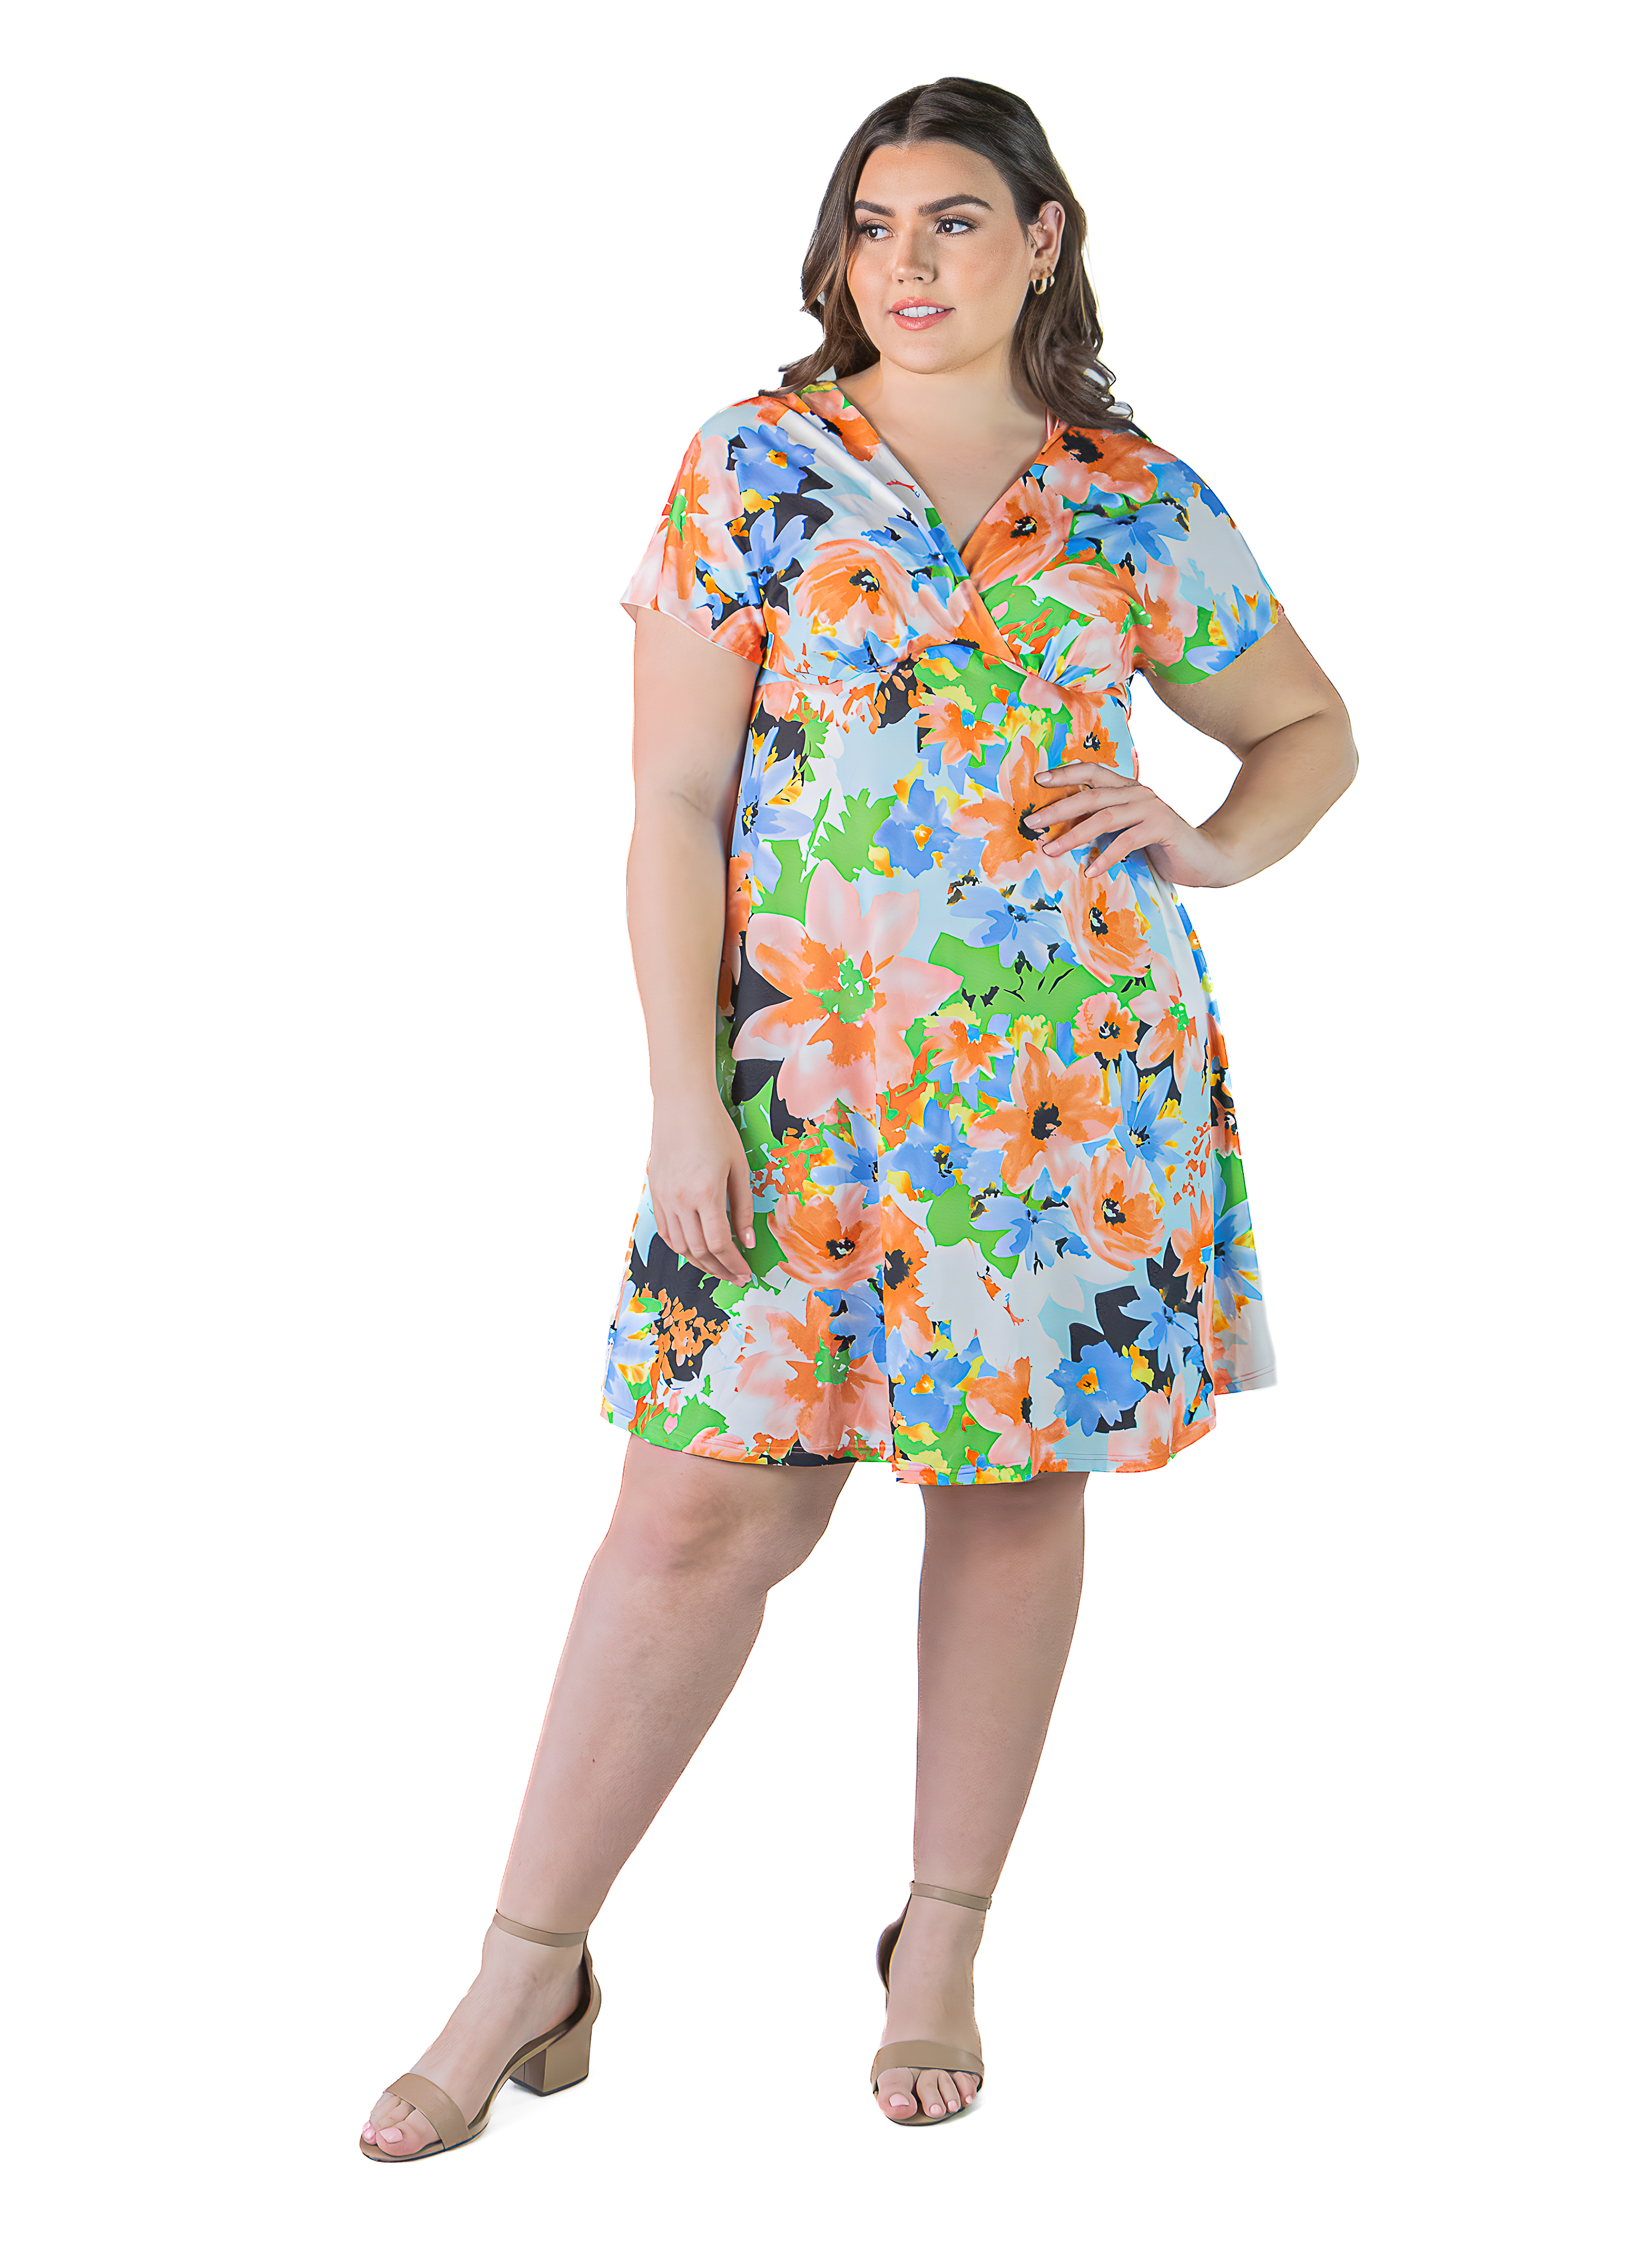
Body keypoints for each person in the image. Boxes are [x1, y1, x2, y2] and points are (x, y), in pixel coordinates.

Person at [361, 74, 1356, 2161]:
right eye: (875, 226)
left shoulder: (1133, 497)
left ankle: (940, 1943)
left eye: (956, 222)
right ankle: (525, 1967)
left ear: (1043, 242)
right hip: (792, 1087)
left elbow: (1306, 727)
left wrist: (1210, 842)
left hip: (1063, 1102)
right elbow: (671, 803)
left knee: (1007, 1498)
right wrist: (681, 1100)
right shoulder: (755, 468)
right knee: (696, 1515)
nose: (908, 264)